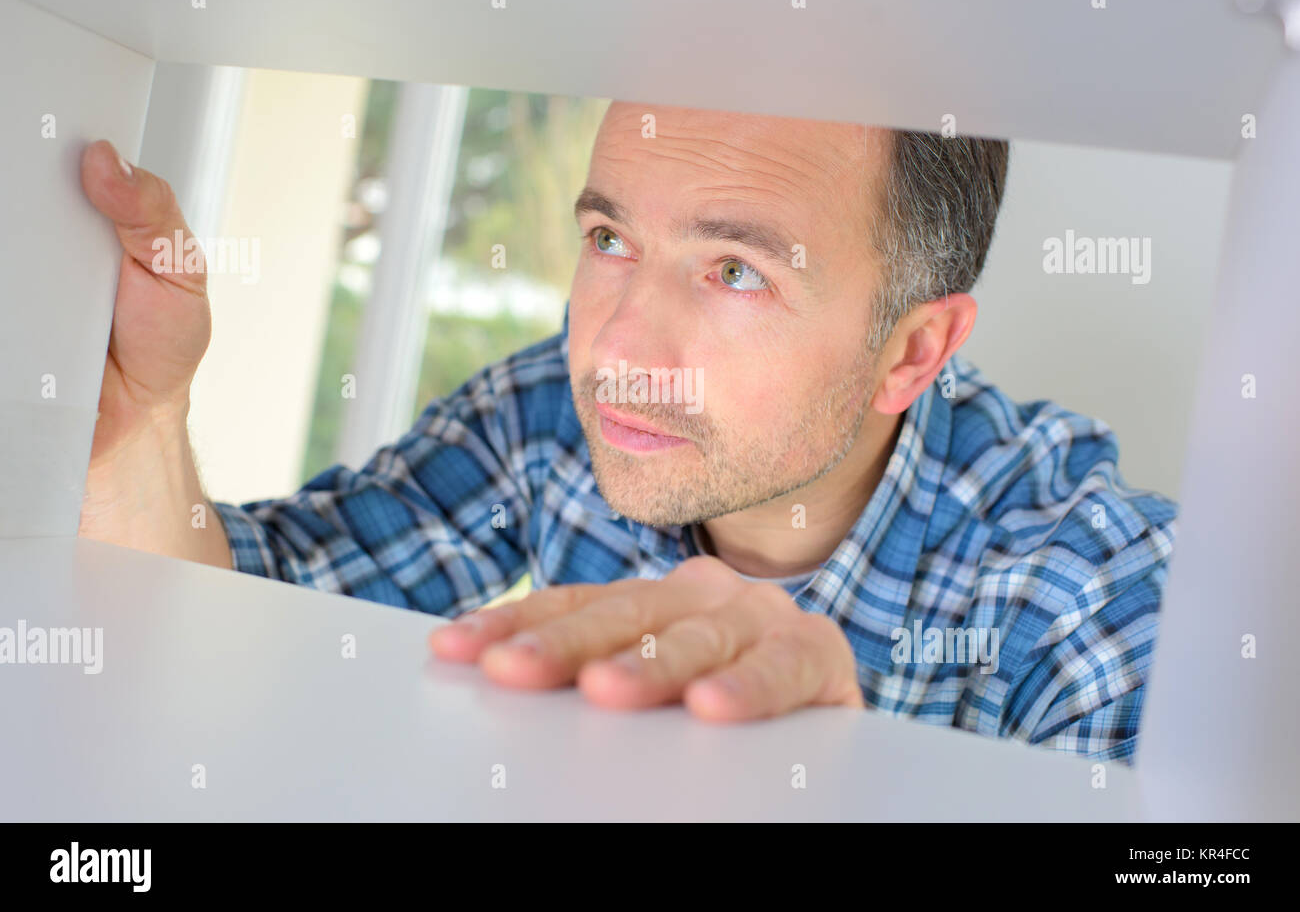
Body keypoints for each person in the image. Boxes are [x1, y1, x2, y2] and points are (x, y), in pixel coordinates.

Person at [77, 102, 1177, 765]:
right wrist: (142, 422)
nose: (616, 345)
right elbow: (249, 611)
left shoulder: (1094, 596)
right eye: (609, 238)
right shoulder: (556, 417)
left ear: (911, 352)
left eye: (734, 269)